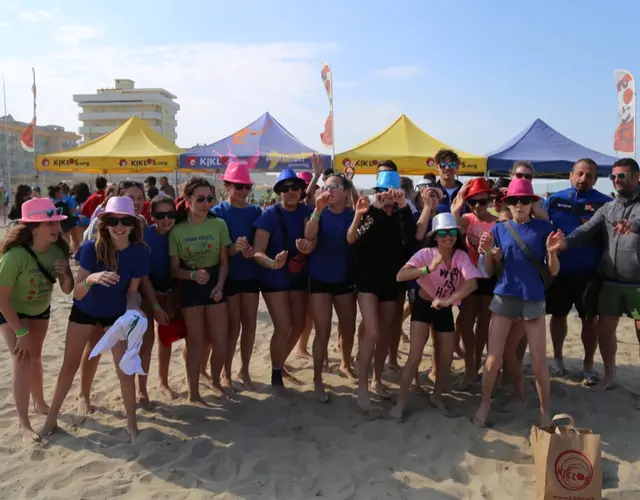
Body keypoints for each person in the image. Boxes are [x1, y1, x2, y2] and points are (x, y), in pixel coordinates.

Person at [41, 196, 149, 441]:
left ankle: (132, 425)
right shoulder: (91, 248)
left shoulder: (140, 252)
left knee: (125, 370)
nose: (119, 226)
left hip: (116, 314)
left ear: (133, 224)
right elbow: (76, 291)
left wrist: (134, 313)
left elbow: (132, 292)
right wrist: (93, 279)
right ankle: (51, 420)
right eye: (113, 220)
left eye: (124, 220)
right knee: (70, 365)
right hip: (84, 311)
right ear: (105, 223)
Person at [473, 179, 563, 427]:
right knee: (493, 358)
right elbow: (490, 271)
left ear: (532, 203)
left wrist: (553, 252)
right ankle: (485, 404)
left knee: (538, 361)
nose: (519, 205)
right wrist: (490, 253)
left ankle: (544, 412)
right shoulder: (498, 230)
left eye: (525, 201)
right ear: (507, 204)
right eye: (514, 201)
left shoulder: (545, 228)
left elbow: (553, 271)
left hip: (533, 299)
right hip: (504, 296)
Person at [560, 157, 640, 391]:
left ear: (636, 177)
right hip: (610, 280)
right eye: (612, 177)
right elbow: (585, 231)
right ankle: (610, 375)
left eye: (621, 176)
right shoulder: (608, 208)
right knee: (604, 331)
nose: (616, 180)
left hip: (637, 283)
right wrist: (563, 243)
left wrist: (635, 226)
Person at [392, 213, 480, 417]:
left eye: (451, 232)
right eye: (442, 232)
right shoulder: (426, 253)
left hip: (444, 306)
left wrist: (449, 300)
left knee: (446, 358)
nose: (447, 237)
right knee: (414, 356)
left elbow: (472, 283)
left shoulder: (460, 256)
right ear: (435, 235)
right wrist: (427, 269)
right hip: (423, 304)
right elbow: (400, 275)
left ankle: (437, 396)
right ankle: (400, 403)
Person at [0, 198, 73, 442]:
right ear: (33, 227)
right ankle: (24, 424)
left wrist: (65, 274)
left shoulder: (59, 249)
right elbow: (2, 299)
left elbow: (66, 289)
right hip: (11, 310)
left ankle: (39, 403)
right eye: (49, 223)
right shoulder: (14, 256)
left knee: (36, 358)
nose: (56, 227)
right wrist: (20, 332)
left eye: (56, 222)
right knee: (21, 360)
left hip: (40, 309)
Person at [348, 170, 416, 412]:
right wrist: (374, 209)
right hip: (367, 281)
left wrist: (402, 204)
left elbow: (412, 236)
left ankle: (377, 379)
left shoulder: (402, 214)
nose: (387, 196)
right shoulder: (369, 212)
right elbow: (352, 238)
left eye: (392, 192)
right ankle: (363, 387)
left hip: (392, 281)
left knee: (386, 334)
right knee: (373, 332)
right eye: (383, 192)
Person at [545, 159, 611, 385]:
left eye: (589, 175)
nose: (583, 179)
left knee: (589, 321)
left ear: (596, 179)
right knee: (558, 316)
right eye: (580, 174)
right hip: (559, 271)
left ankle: (588, 365)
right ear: (571, 175)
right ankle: (558, 359)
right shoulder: (554, 200)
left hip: (590, 273)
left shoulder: (605, 203)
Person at [253, 168, 313, 393]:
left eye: (295, 188)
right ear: (279, 192)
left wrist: (309, 247)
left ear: (301, 191)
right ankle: (276, 373)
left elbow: (315, 239)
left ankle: (280, 362)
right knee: (283, 326)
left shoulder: (307, 212)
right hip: (273, 276)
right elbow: (258, 251)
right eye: (285, 188)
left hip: (298, 275)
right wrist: (272, 263)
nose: (291, 192)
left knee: (299, 325)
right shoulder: (269, 215)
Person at [170, 178, 230, 402]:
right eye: (200, 199)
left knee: (220, 340)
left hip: (215, 282)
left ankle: (215, 381)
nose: (206, 204)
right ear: (187, 200)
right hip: (189, 284)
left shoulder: (219, 225)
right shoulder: (178, 230)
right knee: (194, 342)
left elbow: (225, 263)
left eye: (210, 199)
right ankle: (193, 392)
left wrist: (220, 285)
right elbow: (174, 270)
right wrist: (192, 275)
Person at [304, 173, 357, 402]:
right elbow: (308, 234)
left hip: (345, 279)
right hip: (319, 278)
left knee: (348, 327)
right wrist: (317, 208)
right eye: (327, 186)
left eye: (336, 186)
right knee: (322, 330)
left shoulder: (353, 215)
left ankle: (345, 362)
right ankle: (317, 379)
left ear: (346, 192)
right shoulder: (319, 213)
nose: (331, 189)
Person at [212, 162, 262, 390]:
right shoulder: (217, 212)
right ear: (227, 186)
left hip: (250, 273)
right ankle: (226, 372)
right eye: (239, 186)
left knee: (250, 325)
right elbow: (217, 250)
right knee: (233, 327)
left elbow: (261, 245)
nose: (243, 191)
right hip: (228, 276)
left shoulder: (255, 212)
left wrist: (252, 250)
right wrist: (234, 248)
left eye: (247, 187)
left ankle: (244, 369)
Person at [450, 178, 497, 388]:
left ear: (490, 200)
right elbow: (449, 232)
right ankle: (471, 367)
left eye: (482, 201)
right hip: (467, 277)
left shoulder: (497, 223)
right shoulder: (465, 219)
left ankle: (477, 365)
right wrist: (458, 207)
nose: (477, 206)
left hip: (488, 277)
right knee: (465, 323)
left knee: (484, 324)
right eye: (473, 202)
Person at [143, 195, 179, 400]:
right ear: (152, 216)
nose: (166, 219)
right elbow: (142, 275)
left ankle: (163, 381)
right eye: (160, 215)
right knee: (145, 342)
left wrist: (173, 299)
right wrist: (155, 304)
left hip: (171, 290)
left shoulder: (180, 233)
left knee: (166, 339)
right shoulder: (145, 236)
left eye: (170, 214)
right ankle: (141, 389)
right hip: (147, 291)